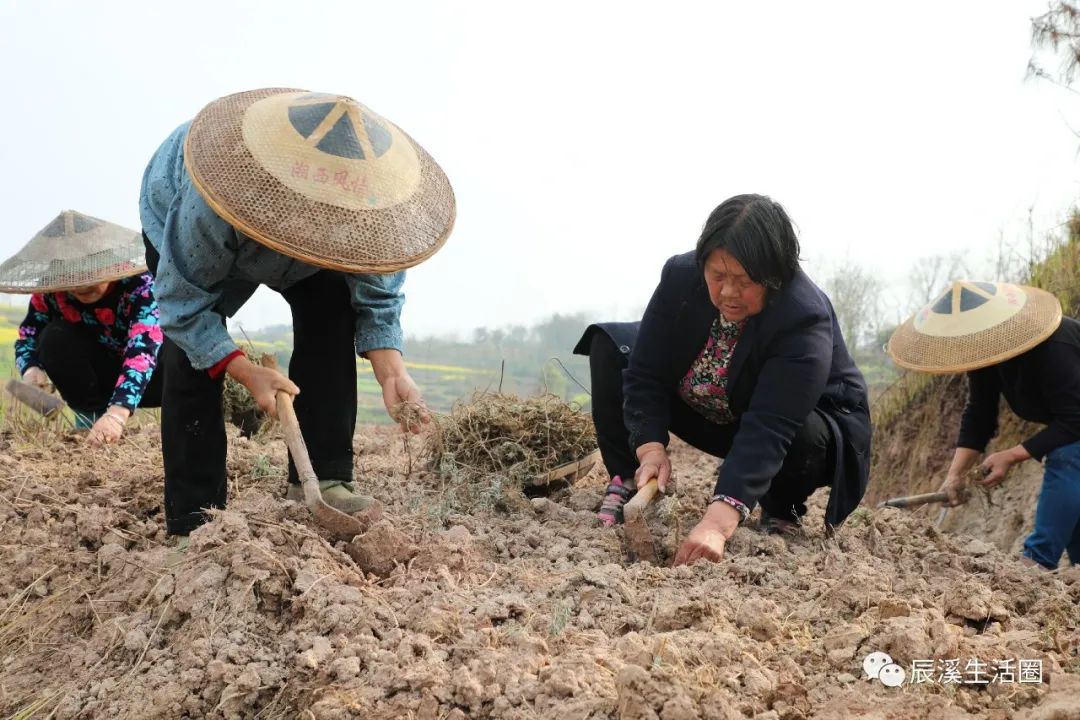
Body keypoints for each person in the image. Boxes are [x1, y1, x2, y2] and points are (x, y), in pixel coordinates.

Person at [139, 88, 455, 537]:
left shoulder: (370, 213)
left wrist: (391, 372)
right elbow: (184, 305)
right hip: (199, 215)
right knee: (188, 359)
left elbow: (376, 293)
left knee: (332, 306)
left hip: (298, 248)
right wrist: (244, 370)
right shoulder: (213, 193)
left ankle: (325, 477)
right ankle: (195, 516)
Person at [574, 194, 871, 566]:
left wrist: (716, 523)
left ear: (774, 278)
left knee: (804, 435)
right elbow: (646, 371)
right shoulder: (681, 277)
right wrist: (650, 447)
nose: (728, 292)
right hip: (716, 401)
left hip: (799, 428)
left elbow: (770, 426)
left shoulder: (803, 318)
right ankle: (629, 478)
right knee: (612, 346)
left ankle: (782, 506)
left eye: (744, 281)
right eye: (718, 276)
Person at [888, 280, 1079, 570]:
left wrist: (1011, 455)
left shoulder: (1054, 344)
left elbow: (1075, 419)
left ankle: (1036, 562)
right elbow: (979, 414)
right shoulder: (989, 354)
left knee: (1067, 455)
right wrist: (955, 475)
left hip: (1075, 424)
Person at [0, 210, 162, 446]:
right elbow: (29, 336)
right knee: (54, 337)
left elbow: (143, 351)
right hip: (99, 375)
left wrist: (117, 415)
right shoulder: (52, 291)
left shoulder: (141, 286)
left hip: (156, 377)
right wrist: (31, 369)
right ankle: (89, 425)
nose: (81, 288)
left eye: (91, 279)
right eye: (74, 282)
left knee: (175, 355)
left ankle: (115, 422)